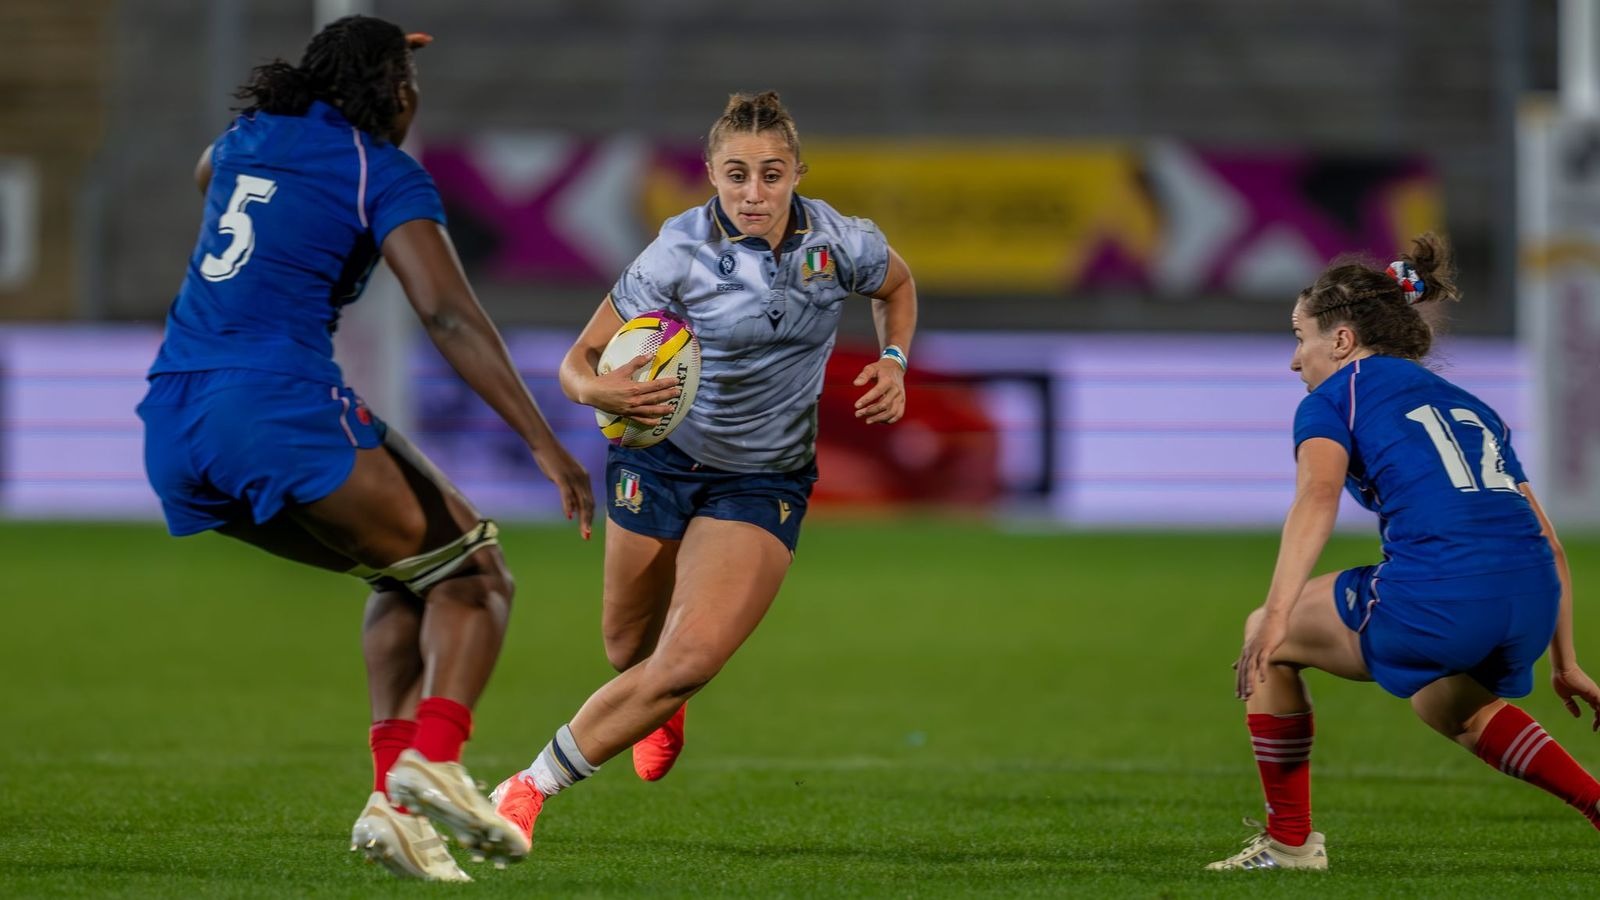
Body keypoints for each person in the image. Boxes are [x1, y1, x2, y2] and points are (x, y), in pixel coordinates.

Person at [134, 16, 594, 881]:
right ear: (394, 91)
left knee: (405, 574)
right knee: (473, 572)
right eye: (407, 88)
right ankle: (436, 760)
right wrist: (545, 443)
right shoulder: (380, 171)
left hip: (175, 424)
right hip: (274, 406)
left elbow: (209, 172)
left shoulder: (245, 141)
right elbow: (448, 313)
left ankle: (393, 809)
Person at [487, 90, 919, 842]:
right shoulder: (677, 252)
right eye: (737, 174)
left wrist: (893, 358)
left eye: (773, 174)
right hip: (657, 458)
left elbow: (898, 285)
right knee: (628, 650)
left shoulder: (840, 244)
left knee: (686, 658)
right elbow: (577, 363)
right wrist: (600, 389)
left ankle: (526, 788)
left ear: (798, 174)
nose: (755, 193)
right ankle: (662, 698)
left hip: (763, 478)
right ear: (712, 174)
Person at [1207, 234, 1600, 871]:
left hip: (1449, 595)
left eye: (1299, 335)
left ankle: (1290, 845)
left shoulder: (1335, 397)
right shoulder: (1469, 405)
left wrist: (1277, 612)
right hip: (1529, 602)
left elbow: (1318, 496)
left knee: (1266, 636)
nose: (1293, 359)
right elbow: (1548, 538)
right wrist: (1567, 661)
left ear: (1340, 341)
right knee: (1444, 696)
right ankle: (1597, 801)